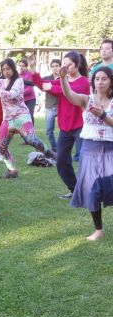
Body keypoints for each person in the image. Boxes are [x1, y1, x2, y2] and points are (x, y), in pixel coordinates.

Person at [59, 65, 113, 241]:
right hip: (89, 149)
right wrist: (62, 78)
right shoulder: (86, 100)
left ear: (110, 81)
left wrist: (103, 115)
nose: (100, 82)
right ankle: (98, 230)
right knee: (92, 190)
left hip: (110, 148)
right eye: (97, 79)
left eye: (104, 78)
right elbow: (69, 95)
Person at [29, 52, 90, 198]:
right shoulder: (63, 80)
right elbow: (42, 84)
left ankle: (88, 191)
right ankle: (75, 189)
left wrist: (53, 86)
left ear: (77, 65)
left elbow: (69, 92)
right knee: (61, 161)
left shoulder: (84, 82)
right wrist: (33, 69)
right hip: (65, 128)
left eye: (69, 64)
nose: (66, 67)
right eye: (64, 64)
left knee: (84, 160)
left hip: (82, 126)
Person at [43, 59, 61, 152]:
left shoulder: (64, 78)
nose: (55, 68)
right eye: (53, 66)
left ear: (60, 67)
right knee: (49, 130)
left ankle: (59, 147)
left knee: (63, 129)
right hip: (49, 107)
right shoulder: (47, 78)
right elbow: (38, 84)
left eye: (57, 65)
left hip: (61, 107)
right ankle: (54, 147)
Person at [18, 59, 36, 124]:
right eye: (20, 65)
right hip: (22, 100)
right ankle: (24, 132)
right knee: (22, 117)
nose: (21, 67)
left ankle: (31, 132)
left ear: (26, 67)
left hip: (31, 99)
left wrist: (19, 93)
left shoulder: (30, 74)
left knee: (30, 116)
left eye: (23, 66)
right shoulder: (17, 75)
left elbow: (29, 89)